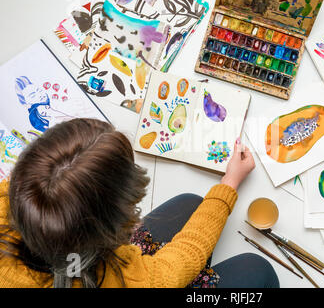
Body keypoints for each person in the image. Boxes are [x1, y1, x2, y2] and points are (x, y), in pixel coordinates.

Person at [0, 118, 279, 288]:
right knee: (257, 272)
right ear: (109, 231)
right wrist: (229, 184)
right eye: (131, 208)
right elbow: (173, 269)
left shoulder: (13, 194)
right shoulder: (117, 278)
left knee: (193, 205)